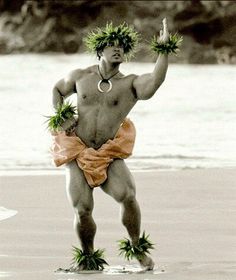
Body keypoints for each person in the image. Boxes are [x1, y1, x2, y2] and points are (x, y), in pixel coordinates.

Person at [51, 19, 170, 271]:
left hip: (109, 154)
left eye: (121, 47)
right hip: (78, 151)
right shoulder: (81, 76)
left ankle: (137, 247)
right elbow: (57, 90)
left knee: (127, 196)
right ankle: (88, 259)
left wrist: (163, 51)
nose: (117, 49)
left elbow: (154, 82)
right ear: (99, 50)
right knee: (82, 209)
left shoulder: (130, 84)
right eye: (111, 45)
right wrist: (63, 116)